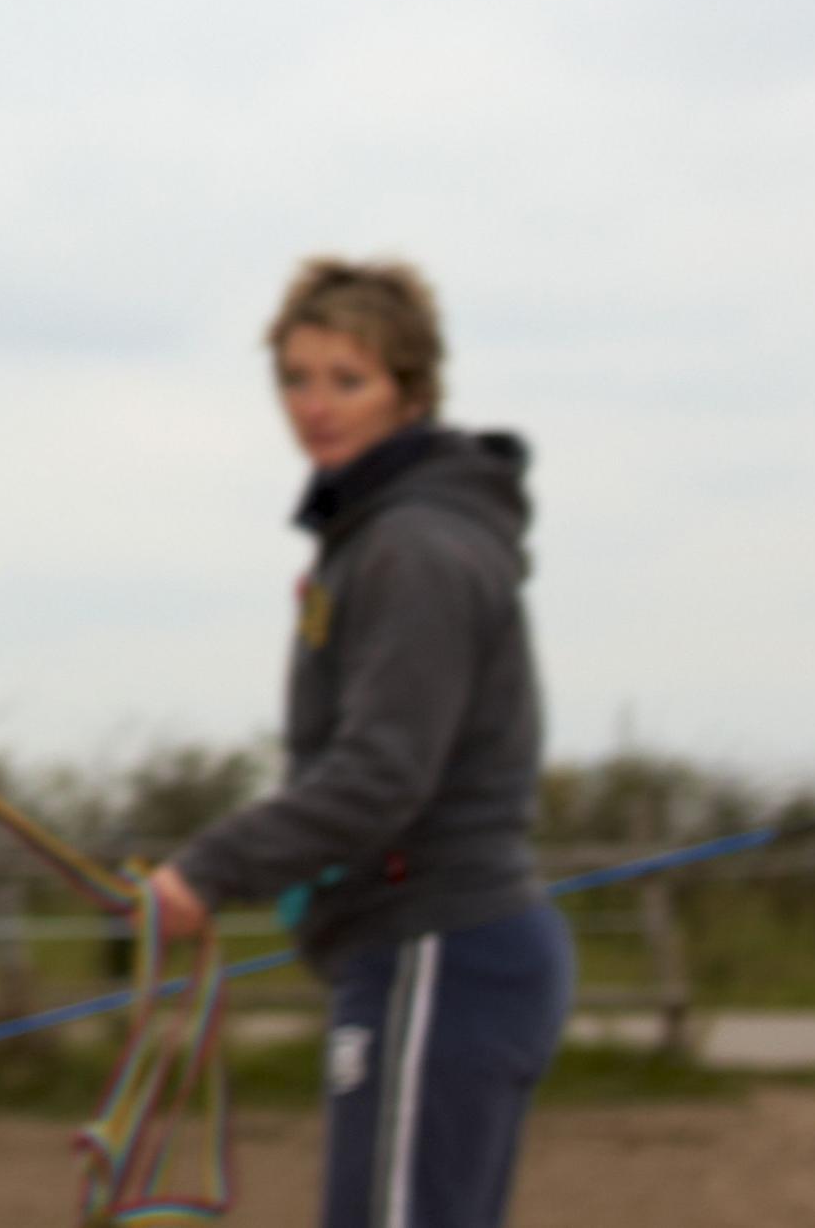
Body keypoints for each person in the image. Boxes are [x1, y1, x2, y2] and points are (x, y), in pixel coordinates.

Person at [145, 258, 570, 1228]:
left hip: (440, 948)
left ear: (410, 391)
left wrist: (206, 872)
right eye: (295, 379)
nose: (314, 407)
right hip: (419, 946)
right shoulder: (382, 537)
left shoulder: (412, 547)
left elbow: (383, 773)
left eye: (348, 380)